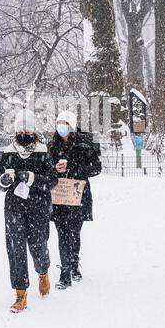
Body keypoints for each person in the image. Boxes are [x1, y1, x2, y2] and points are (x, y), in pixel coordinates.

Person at [0, 109, 58, 313]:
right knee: (16, 250)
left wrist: (32, 178)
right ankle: (20, 294)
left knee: (38, 247)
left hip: (38, 207)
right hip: (14, 208)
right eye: (20, 129)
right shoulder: (8, 152)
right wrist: (3, 181)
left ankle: (42, 271)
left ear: (33, 130)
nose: (24, 132)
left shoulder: (42, 151)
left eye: (27, 128)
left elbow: (52, 180)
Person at [48, 111, 102, 290]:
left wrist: (73, 167)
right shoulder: (52, 145)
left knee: (74, 232)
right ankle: (65, 273)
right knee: (62, 233)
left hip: (79, 194)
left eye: (65, 124)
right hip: (59, 194)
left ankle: (73, 264)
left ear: (72, 125)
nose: (61, 127)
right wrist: (54, 168)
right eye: (59, 123)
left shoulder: (86, 143)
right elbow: (46, 167)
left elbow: (96, 168)